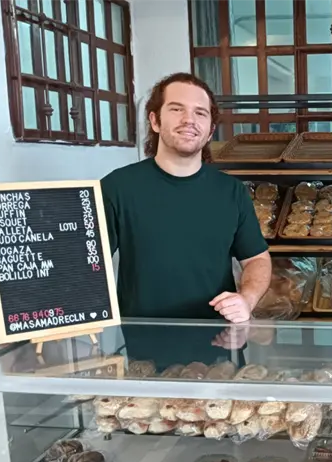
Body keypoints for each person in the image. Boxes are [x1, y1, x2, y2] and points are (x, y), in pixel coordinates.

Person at [101, 73, 272, 366]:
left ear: (209, 130)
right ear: (155, 121)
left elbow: (257, 258)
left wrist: (247, 300)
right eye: (176, 109)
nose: (189, 119)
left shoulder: (231, 192)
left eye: (200, 113)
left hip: (220, 349)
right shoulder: (118, 188)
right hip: (145, 353)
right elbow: (86, 266)